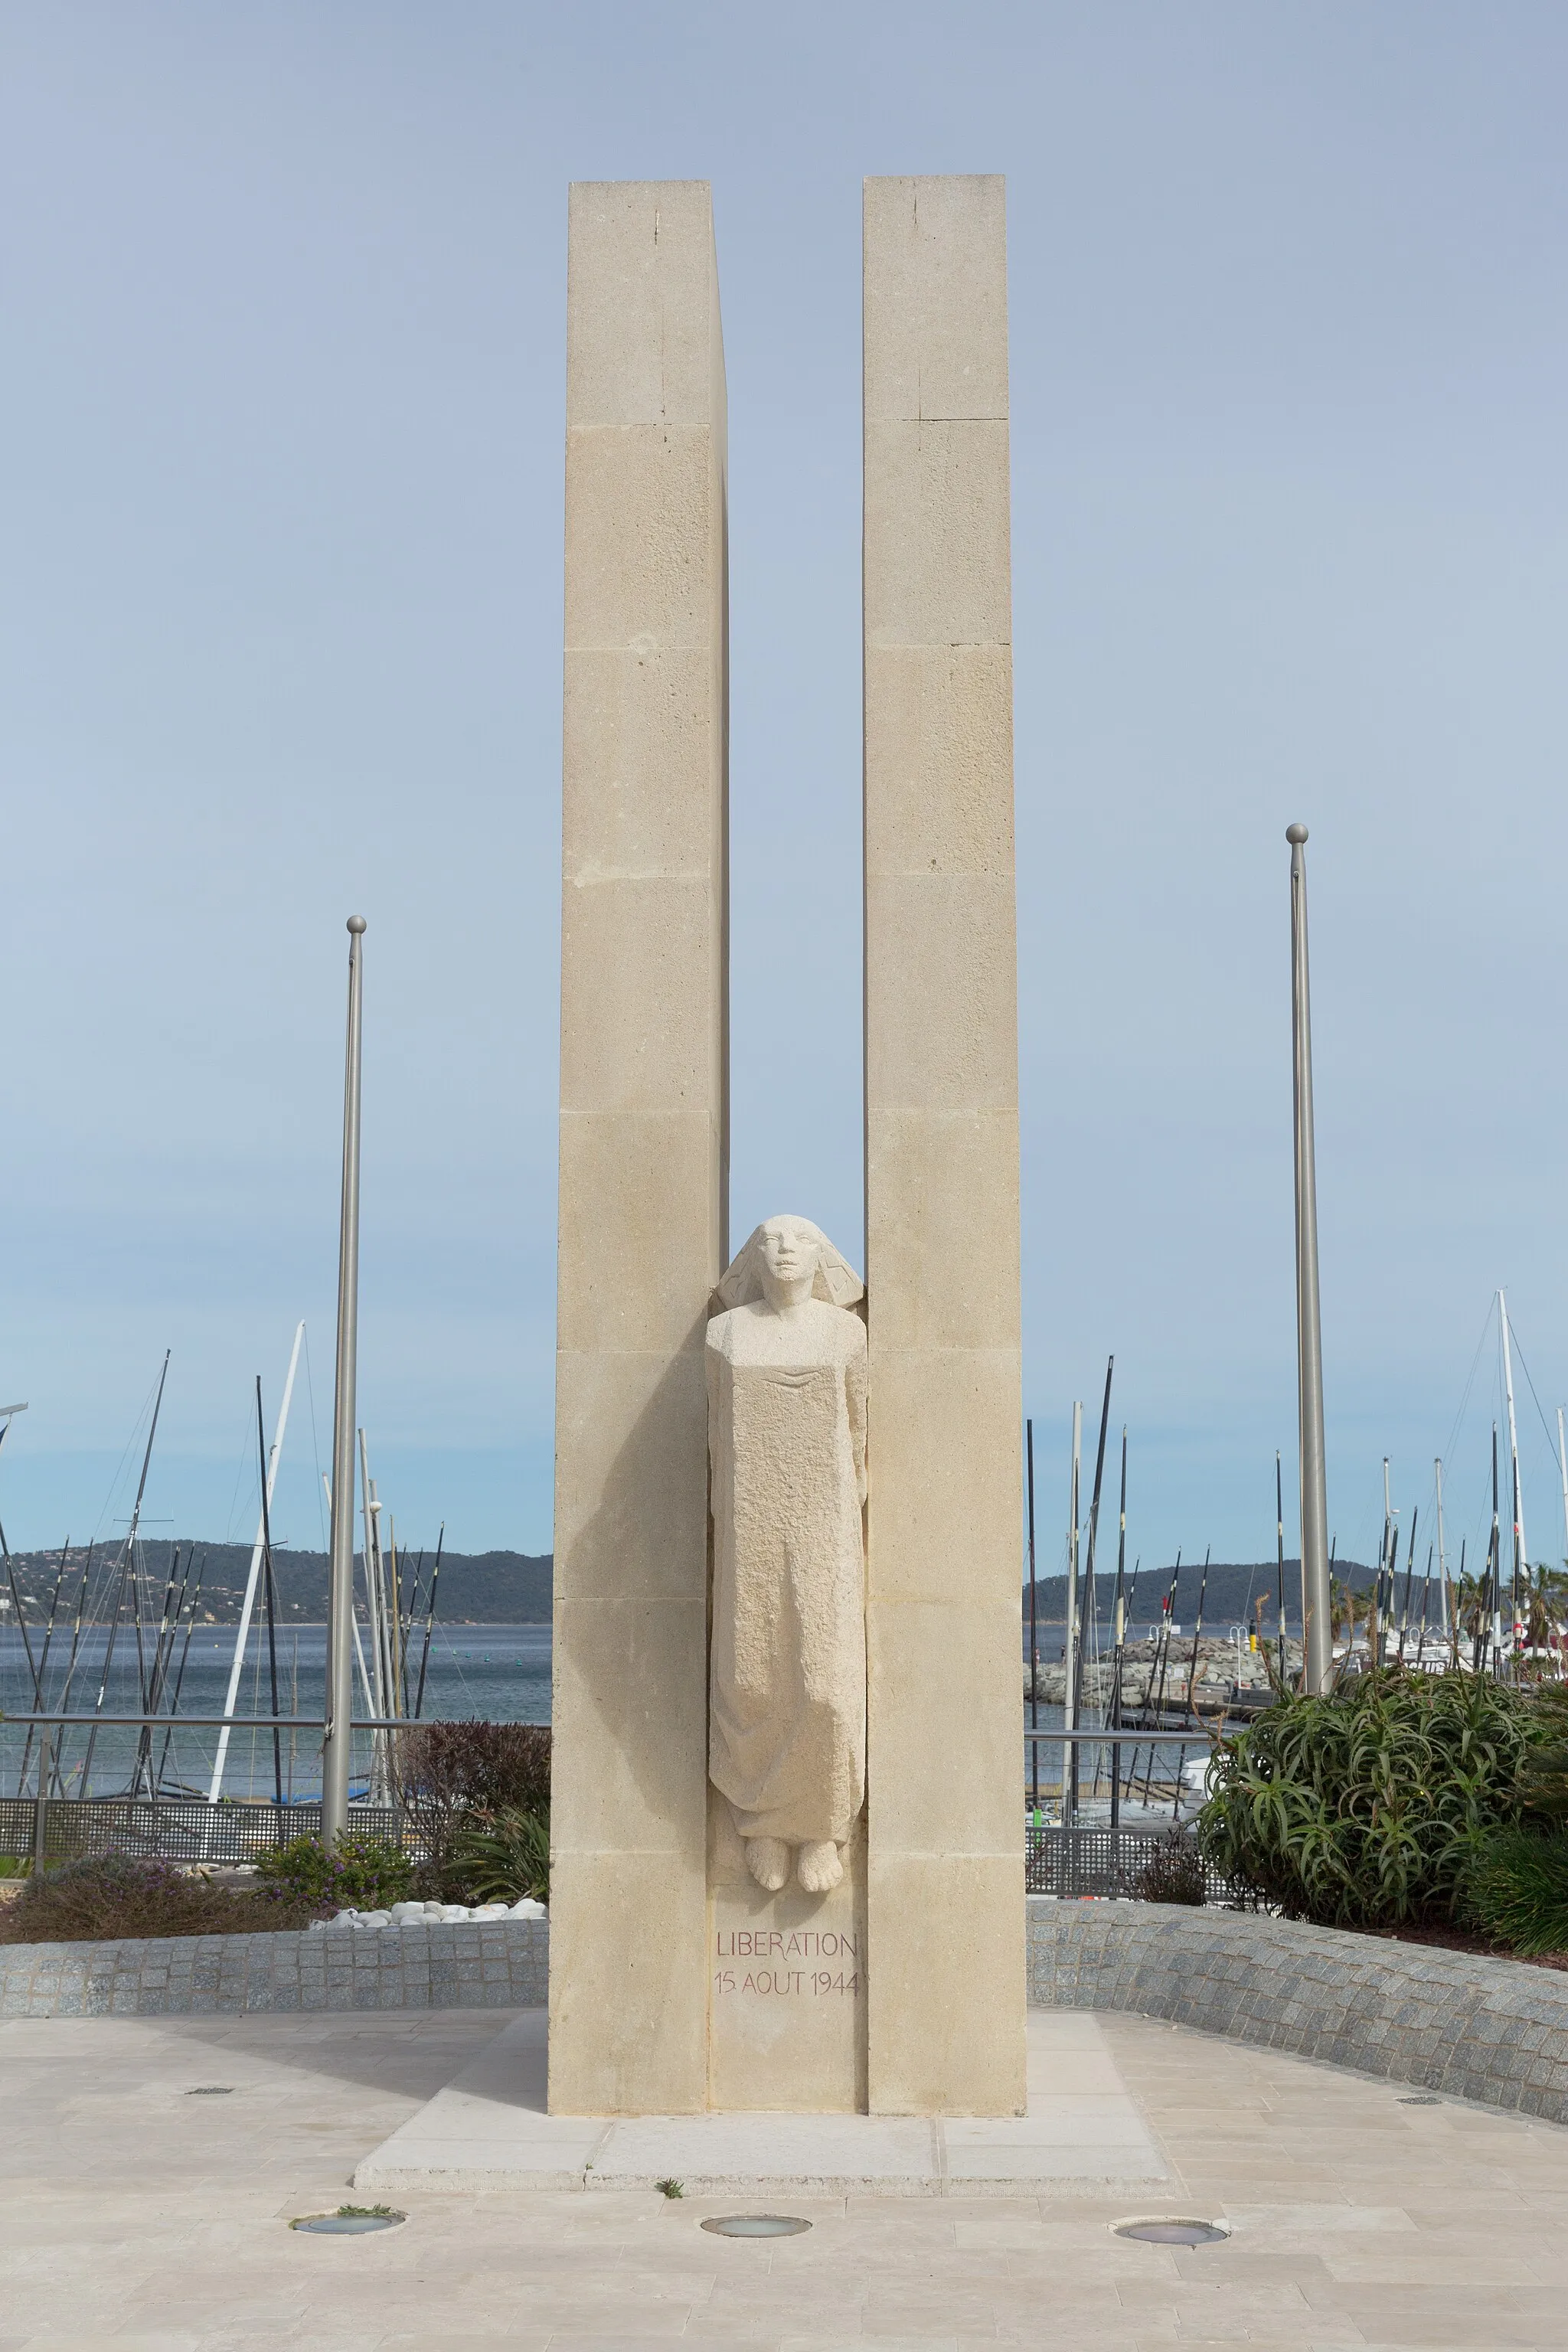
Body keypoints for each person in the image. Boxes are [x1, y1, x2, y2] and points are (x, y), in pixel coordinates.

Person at [707, 1216, 867, 1894]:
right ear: (754, 1255)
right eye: (771, 1238)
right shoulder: (726, 1333)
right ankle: (764, 1824)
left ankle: (824, 1827)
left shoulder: (845, 1334)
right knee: (754, 1674)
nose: (784, 1248)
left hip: (824, 1524)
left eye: (800, 1238)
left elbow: (858, 1426)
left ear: (821, 1256)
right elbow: (717, 1429)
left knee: (824, 1683)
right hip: (750, 1524)